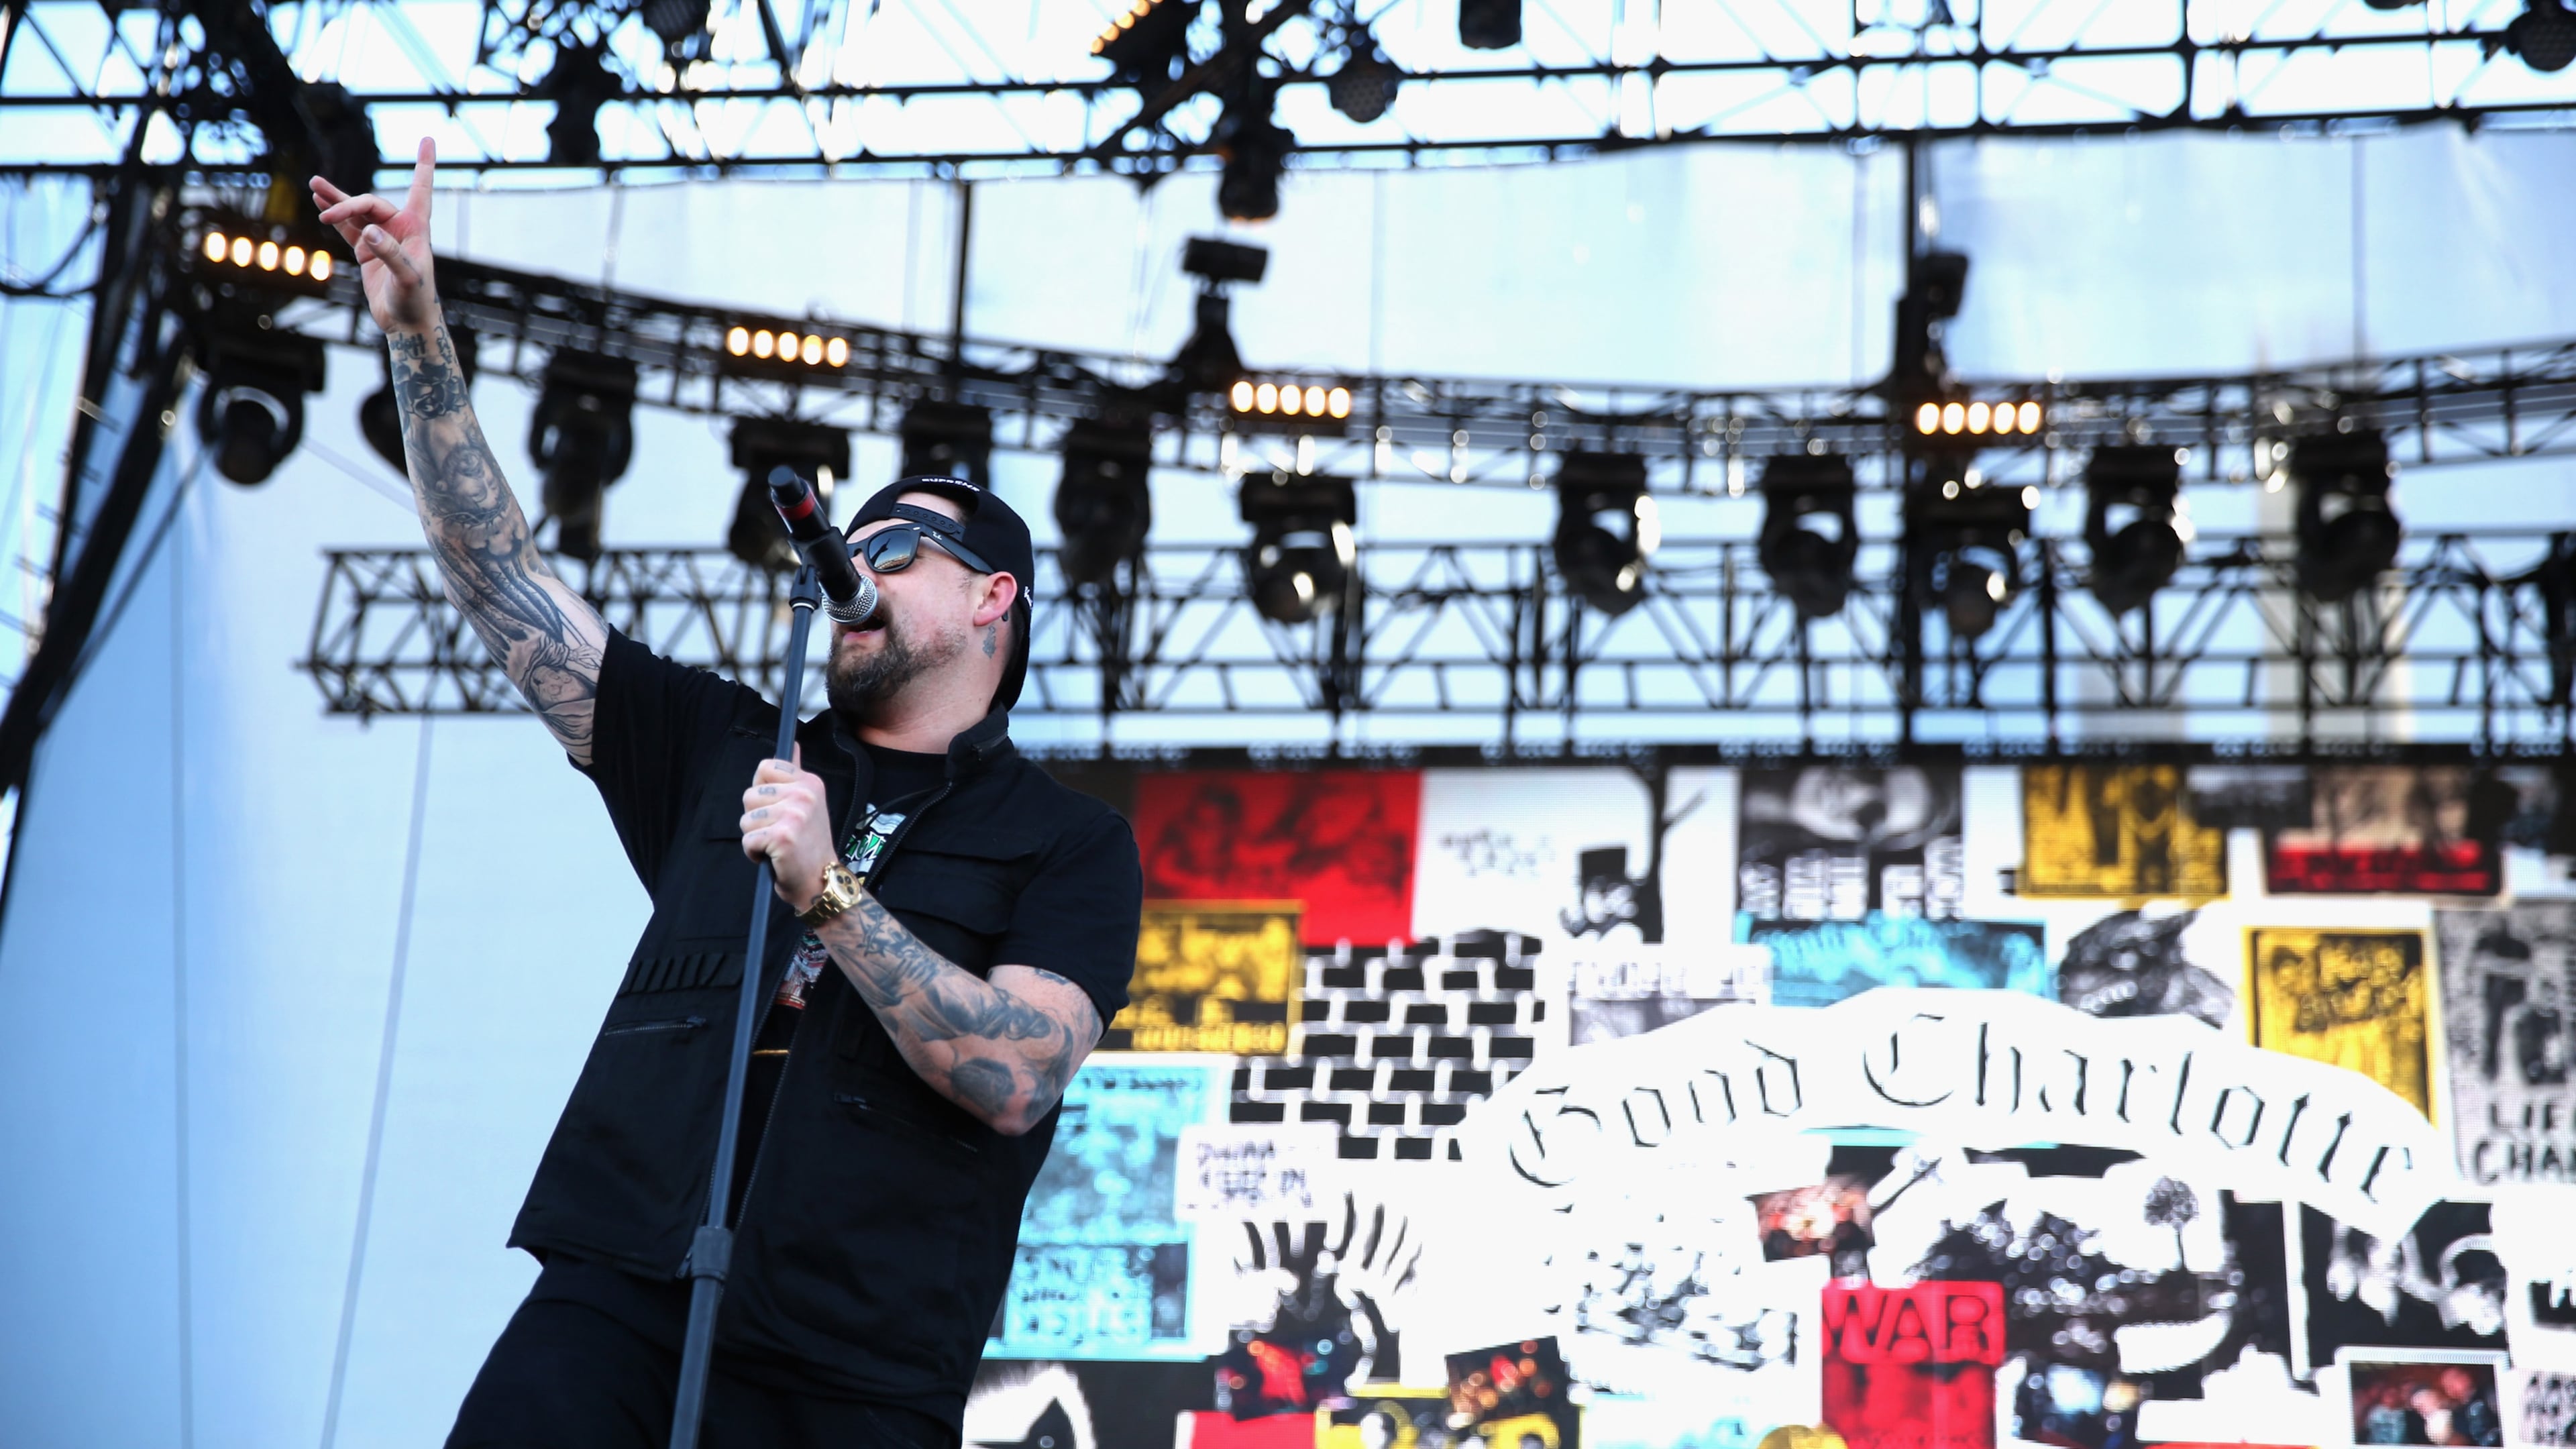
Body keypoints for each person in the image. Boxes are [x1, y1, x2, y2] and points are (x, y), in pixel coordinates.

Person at [311, 142, 1144, 1449]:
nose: (856, 564)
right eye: (845, 543)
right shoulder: (725, 743)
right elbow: (505, 585)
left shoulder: (1068, 843)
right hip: (616, 1295)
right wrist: (419, 334)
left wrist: (831, 894)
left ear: (994, 599)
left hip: (854, 1360)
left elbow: (1019, 1074)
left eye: (898, 547)